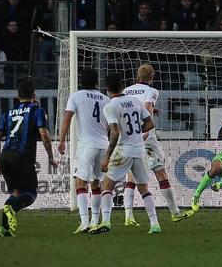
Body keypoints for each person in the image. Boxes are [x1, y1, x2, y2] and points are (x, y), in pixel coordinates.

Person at [88, 73, 161, 234]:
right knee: (144, 188)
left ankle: (105, 222)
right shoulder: (135, 101)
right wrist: (135, 133)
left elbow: (114, 133)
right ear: (122, 86)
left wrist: (107, 157)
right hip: (139, 150)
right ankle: (154, 224)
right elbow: (150, 123)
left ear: (107, 89)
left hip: (123, 151)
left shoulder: (110, 107)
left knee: (107, 186)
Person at [122, 64, 194, 226]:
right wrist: (145, 127)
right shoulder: (152, 91)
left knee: (131, 177)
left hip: (129, 136)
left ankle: (128, 216)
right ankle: (175, 212)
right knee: (161, 173)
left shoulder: (126, 90)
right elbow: (146, 107)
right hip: (146, 135)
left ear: (137, 76)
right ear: (152, 76)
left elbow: (129, 109)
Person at [0, 79, 57, 237]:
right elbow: (44, 134)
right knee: (31, 193)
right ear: (34, 95)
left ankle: (4, 228)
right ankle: (11, 209)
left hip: (6, 155)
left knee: (16, 191)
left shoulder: (7, 113)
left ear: (17, 96)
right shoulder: (37, 110)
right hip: (22, 156)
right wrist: (50, 157)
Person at [58, 68, 111, 234]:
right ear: (97, 82)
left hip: (86, 145)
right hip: (104, 144)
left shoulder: (76, 96)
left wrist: (61, 140)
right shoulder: (106, 99)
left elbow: (67, 117)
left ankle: (84, 222)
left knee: (80, 183)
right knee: (96, 183)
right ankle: (95, 220)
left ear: (81, 81)